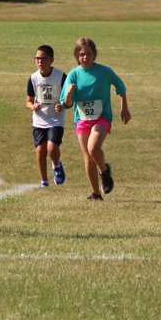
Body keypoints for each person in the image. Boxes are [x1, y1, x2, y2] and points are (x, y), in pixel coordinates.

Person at [60, 37, 130, 201]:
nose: (85, 57)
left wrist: (124, 108)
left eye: (89, 53)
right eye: (82, 54)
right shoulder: (73, 74)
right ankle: (95, 193)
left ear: (94, 54)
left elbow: (121, 87)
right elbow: (66, 103)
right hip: (82, 119)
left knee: (93, 148)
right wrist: (69, 93)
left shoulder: (104, 71)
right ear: (77, 55)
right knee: (88, 158)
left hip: (102, 117)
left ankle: (104, 172)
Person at [26, 44, 67, 187]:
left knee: (51, 148)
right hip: (39, 119)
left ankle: (56, 166)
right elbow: (29, 101)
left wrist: (62, 104)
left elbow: (69, 98)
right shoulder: (33, 78)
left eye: (43, 59)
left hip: (56, 118)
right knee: (40, 150)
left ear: (51, 60)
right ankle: (44, 181)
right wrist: (33, 106)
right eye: (37, 59)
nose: (39, 62)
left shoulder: (61, 76)